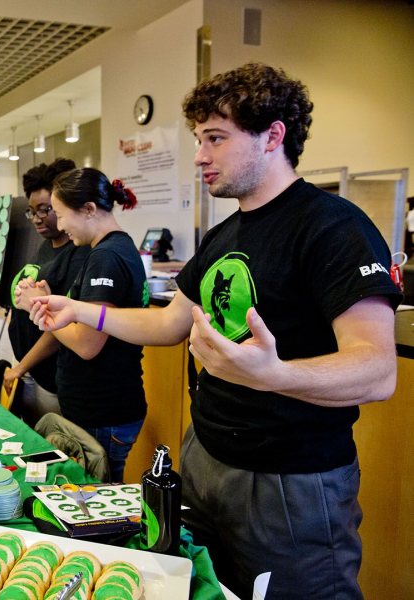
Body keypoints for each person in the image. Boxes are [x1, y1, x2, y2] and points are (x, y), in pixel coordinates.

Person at [29, 63, 401, 599]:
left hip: (289, 481)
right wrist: (82, 311)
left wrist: (273, 374)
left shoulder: (333, 226)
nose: (200, 155)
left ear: (274, 136)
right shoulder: (224, 233)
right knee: (203, 587)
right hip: (203, 457)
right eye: (199, 139)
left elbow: (376, 368)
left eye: (216, 139)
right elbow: (166, 323)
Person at [13, 167, 148, 482]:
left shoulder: (107, 258)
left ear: (89, 209)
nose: (59, 225)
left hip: (104, 412)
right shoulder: (105, 252)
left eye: (61, 215)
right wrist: (47, 301)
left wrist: (36, 305)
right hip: (98, 409)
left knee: (98, 503)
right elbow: (76, 321)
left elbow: (87, 344)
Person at [3, 158, 89, 425]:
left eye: (45, 210)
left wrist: (20, 368)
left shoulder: (78, 255)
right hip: (30, 372)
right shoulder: (45, 244)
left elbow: (59, 327)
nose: (37, 219)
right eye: (32, 211)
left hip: (48, 378)